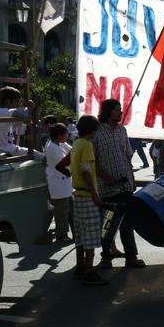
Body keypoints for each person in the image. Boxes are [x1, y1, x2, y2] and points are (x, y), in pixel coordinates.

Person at [93, 99, 145, 269]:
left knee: (127, 222)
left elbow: (128, 155)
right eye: (117, 110)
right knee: (109, 224)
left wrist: (131, 178)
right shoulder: (97, 133)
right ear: (108, 112)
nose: (120, 112)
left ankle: (131, 256)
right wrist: (105, 176)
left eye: (120, 109)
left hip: (125, 185)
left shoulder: (122, 130)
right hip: (107, 187)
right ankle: (106, 256)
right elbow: (92, 161)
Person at [69, 115, 108, 285]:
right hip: (86, 194)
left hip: (77, 194)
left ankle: (80, 266)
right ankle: (90, 271)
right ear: (92, 130)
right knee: (91, 235)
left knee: (80, 233)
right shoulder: (86, 145)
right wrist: (95, 194)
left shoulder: (76, 143)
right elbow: (86, 170)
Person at [0, 86, 42, 158]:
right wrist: (30, 107)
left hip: (8, 149)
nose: (19, 104)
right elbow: (24, 114)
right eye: (17, 101)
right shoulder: (2, 111)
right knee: (41, 158)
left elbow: (21, 126)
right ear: (7, 102)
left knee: (41, 156)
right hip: (0, 151)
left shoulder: (1, 112)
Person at [45, 123, 73, 242]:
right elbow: (64, 163)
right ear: (60, 135)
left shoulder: (59, 143)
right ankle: (61, 235)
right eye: (66, 133)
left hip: (65, 184)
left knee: (68, 210)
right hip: (59, 184)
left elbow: (72, 150)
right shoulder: (52, 147)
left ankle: (70, 233)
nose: (68, 135)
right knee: (62, 212)